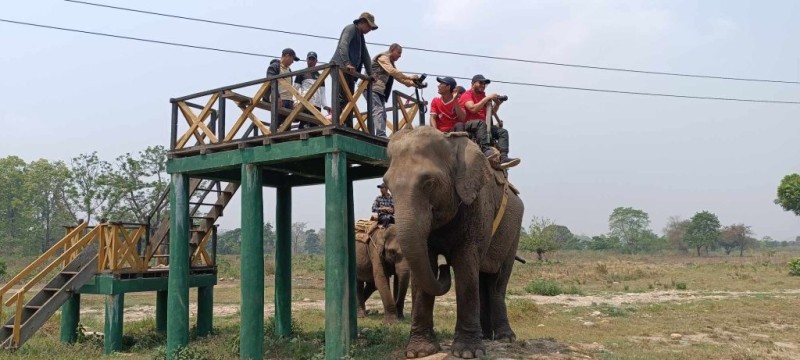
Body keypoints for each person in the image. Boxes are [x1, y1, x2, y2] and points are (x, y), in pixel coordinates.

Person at [460, 74, 521, 168]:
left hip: (483, 126)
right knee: (481, 124)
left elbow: (490, 114)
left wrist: (497, 105)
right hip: (470, 124)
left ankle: (503, 157)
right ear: (472, 83)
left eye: (484, 84)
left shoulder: (483, 96)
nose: (483, 85)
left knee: (503, 132)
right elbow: (472, 109)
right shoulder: (467, 95)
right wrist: (487, 98)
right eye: (480, 83)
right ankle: (486, 150)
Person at [330, 12, 377, 126]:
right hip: (340, 68)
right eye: (369, 26)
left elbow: (365, 55)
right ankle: (338, 123)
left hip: (350, 71)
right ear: (362, 22)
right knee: (341, 98)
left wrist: (371, 73)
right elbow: (343, 45)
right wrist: (347, 62)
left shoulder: (361, 37)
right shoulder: (351, 29)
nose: (369, 30)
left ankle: (347, 125)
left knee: (349, 99)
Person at [365, 43, 420, 137]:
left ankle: (380, 134)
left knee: (382, 113)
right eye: (398, 52)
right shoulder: (383, 58)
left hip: (379, 90)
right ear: (392, 50)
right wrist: (410, 77)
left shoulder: (390, 63)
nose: (400, 55)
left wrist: (415, 84)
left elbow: (401, 79)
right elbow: (392, 71)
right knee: (378, 110)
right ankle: (380, 135)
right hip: (370, 87)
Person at [293, 51, 330, 129]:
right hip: (305, 104)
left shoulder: (320, 76)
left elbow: (322, 93)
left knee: (315, 127)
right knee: (303, 125)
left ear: (316, 61)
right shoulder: (301, 73)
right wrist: (295, 102)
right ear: (306, 60)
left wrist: (325, 106)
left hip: (317, 105)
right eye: (309, 59)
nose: (311, 61)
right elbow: (295, 89)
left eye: (313, 59)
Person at [267, 48, 300, 127]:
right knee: (277, 123)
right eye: (292, 59)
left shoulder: (289, 70)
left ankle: (285, 139)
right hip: (279, 99)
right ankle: (273, 137)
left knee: (287, 125)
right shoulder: (275, 66)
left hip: (289, 100)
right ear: (287, 56)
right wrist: (277, 97)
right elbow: (271, 81)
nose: (292, 62)